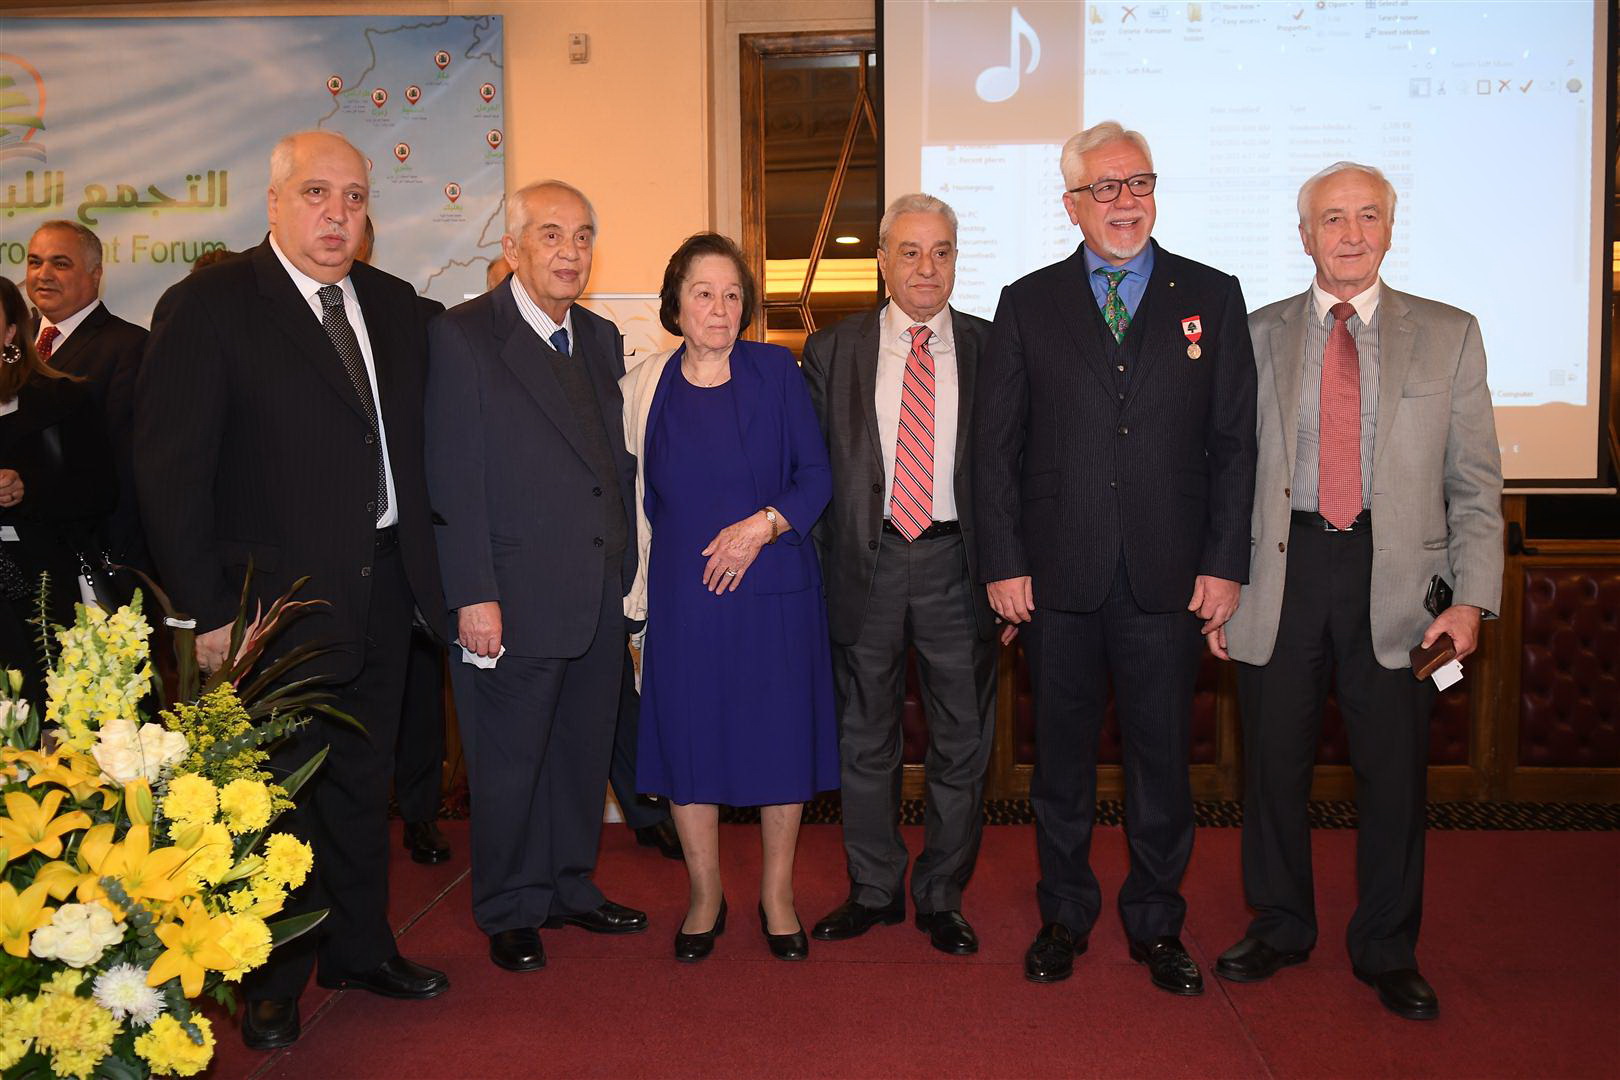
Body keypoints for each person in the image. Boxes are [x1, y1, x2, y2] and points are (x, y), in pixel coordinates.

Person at [136, 130, 451, 1050]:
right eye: (316, 193)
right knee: (271, 796)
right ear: (273, 203)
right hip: (265, 608)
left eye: (353, 197)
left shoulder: (393, 306)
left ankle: (359, 948)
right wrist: (206, 613)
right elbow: (169, 472)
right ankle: (270, 978)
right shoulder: (211, 305)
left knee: (360, 784)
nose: (337, 214)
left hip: (382, 589)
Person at [1212, 162, 1503, 1021]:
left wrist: (1471, 599)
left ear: (1390, 228)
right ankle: (1281, 924)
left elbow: (1475, 482)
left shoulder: (1449, 334)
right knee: (1272, 768)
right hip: (1281, 572)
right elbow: (1221, 472)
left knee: (1394, 778)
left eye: (1367, 215)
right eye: (1332, 218)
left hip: (1403, 583)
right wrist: (1216, 581)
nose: (1350, 233)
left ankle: (1386, 947)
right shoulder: (1254, 333)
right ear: (1304, 235)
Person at [974, 121, 1257, 994]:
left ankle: (1157, 922)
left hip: (1170, 579)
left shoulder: (1212, 294)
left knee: (1161, 764)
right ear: (1072, 205)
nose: (1124, 201)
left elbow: (1236, 443)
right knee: (1059, 766)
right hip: (1057, 580)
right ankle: (1064, 914)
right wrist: (1003, 562)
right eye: (1104, 187)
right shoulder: (1027, 302)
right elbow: (995, 449)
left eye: (1138, 183)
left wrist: (1225, 562)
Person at [425, 180, 648, 976]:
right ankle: (510, 906)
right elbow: (453, 477)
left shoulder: (598, 336)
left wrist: (627, 574)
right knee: (511, 764)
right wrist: (472, 594)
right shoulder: (463, 336)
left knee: (580, 759)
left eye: (583, 236)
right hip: (510, 600)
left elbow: (606, 465)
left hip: (595, 593)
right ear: (512, 248)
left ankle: (568, 887)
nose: (570, 251)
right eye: (551, 235)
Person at [621, 232, 836, 963]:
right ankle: (705, 895)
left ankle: (777, 895)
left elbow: (816, 476)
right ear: (675, 304)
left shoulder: (776, 371)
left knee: (781, 742)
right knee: (689, 741)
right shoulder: (644, 386)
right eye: (704, 293)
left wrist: (762, 526)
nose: (720, 307)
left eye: (733, 294)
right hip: (685, 600)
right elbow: (632, 498)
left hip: (774, 591)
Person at [802, 194, 999, 956]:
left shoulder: (990, 347)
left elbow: (1013, 472)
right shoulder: (833, 350)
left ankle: (943, 895)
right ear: (882, 261)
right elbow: (812, 468)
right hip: (866, 562)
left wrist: (1012, 574)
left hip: (959, 565)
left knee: (962, 740)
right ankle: (874, 888)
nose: (926, 268)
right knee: (864, 737)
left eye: (941, 251)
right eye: (910, 252)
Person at [0, 275, 115, 699]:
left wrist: (27, 489)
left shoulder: (60, 399)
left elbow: (100, 490)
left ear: (11, 332)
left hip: (43, 595)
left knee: (43, 718)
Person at [25, 221, 146, 570]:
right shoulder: (14, 341)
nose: (44, 274)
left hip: (88, 554)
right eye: (35, 262)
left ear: (96, 275)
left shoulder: (129, 346)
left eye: (60, 263)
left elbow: (125, 466)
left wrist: (115, 563)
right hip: (21, 550)